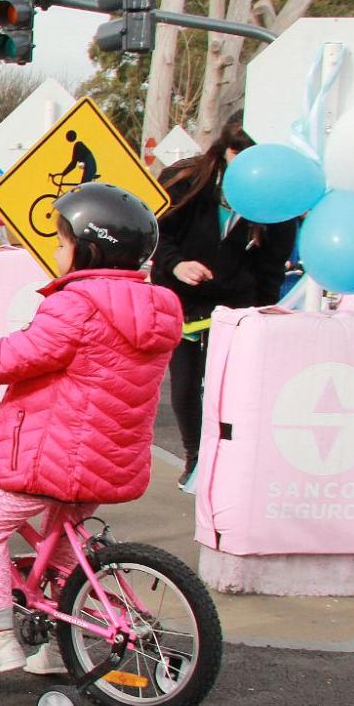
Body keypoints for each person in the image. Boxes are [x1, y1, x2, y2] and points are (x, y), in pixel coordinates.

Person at [0, 184, 183, 677]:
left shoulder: (77, 305)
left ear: (89, 248)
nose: (55, 252)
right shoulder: (156, 307)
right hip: (110, 459)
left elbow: (6, 360)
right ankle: (61, 647)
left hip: (55, 459)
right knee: (59, 550)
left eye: (61, 242)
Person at [152, 116, 296, 491]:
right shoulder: (187, 182)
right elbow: (157, 236)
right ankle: (195, 456)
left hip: (237, 308)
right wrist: (177, 265)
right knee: (184, 384)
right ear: (226, 151)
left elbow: (271, 266)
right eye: (241, 158)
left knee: (232, 387)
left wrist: (263, 314)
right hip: (182, 302)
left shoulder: (275, 200)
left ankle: (230, 459)